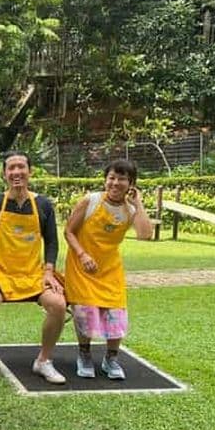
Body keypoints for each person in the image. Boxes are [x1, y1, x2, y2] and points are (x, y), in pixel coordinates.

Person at [0, 151, 68, 384]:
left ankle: (44, 360)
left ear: (29, 171)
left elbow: (52, 242)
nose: (16, 172)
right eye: (11, 168)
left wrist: (48, 272)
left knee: (58, 304)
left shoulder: (43, 204)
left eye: (21, 167)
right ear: (4, 174)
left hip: (33, 273)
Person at [64, 159, 153, 379]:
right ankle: (84, 354)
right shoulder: (91, 201)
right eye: (111, 177)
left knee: (116, 312)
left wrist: (138, 204)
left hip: (109, 267)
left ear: (131, 183)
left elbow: (145, 234)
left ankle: (110, 358)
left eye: (121, 178)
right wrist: (83, 254)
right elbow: (69, 231)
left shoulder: (130, 210)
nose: (115, 183)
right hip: (82, 265)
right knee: (85, 311)